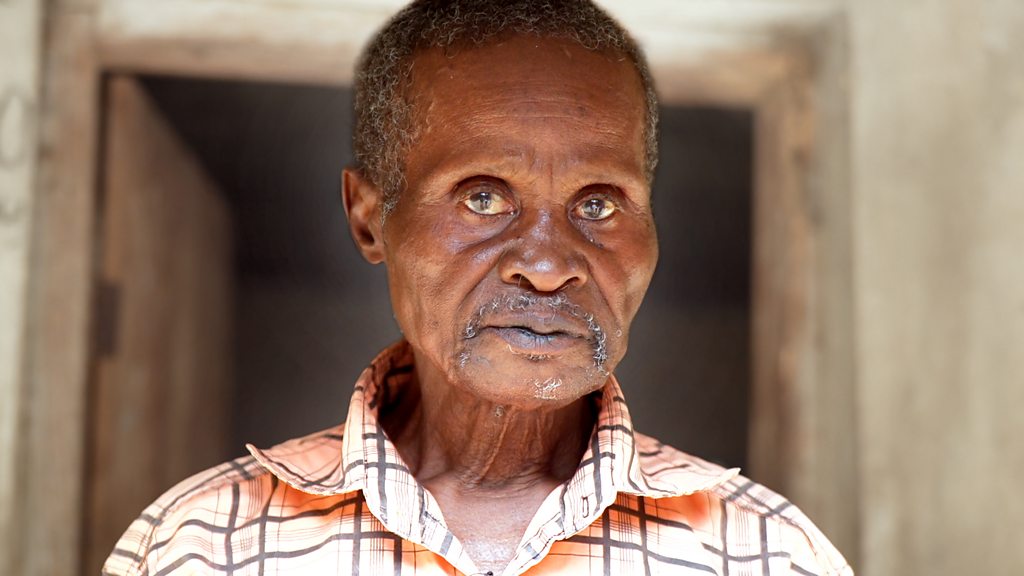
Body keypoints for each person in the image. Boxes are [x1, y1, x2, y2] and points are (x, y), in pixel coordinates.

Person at [103, 1, 852, 574]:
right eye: (484, 197)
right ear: (370, 220)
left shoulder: (765, 554)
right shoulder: (202, 547)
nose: (549, 262)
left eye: (598, 203)